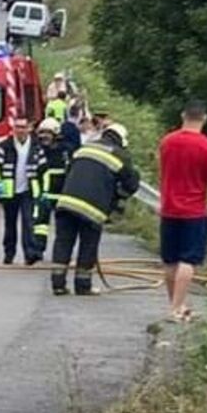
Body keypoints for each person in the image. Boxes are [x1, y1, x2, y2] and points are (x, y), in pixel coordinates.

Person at [159, 101, 207, 322]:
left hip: (169, 209)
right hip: (194, 212)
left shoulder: (167, 142)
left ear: (183, 115)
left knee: (170, 261)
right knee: (188, 260)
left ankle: (175, 306)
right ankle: (177, 308)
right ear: (204, 118)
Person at [51, 123, 139, 295]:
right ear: (121, 140)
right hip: (92, 208)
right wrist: (116, 199)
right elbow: (132, 182)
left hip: (66, 202)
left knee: (63, 242)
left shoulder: (84, 148)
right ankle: (83, 286)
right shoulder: (119, 154)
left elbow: (69, 171)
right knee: (88, 245)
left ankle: (58, 284)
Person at [0, 117, 48, 264]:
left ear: (29, 128)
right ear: (13, 129)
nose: (20, 130)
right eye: (17, 127)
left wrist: (44, 190)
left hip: (28, 191)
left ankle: (30, 254)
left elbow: (44, 170)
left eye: (23, 127)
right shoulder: (5, 146)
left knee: (28, 223)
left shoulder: (36, 147)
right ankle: (9, 253)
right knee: (10, 224)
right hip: (9, 191)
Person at [33, 118, 70, 256]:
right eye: (42, 133)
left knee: (63, 227)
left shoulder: (64, 150)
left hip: (62, 193)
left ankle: (61, 254)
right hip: (44, 193)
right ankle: (38, 250)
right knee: (40, 224)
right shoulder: (37, 149)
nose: (44, 136)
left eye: (48, 133)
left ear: (55, 134)